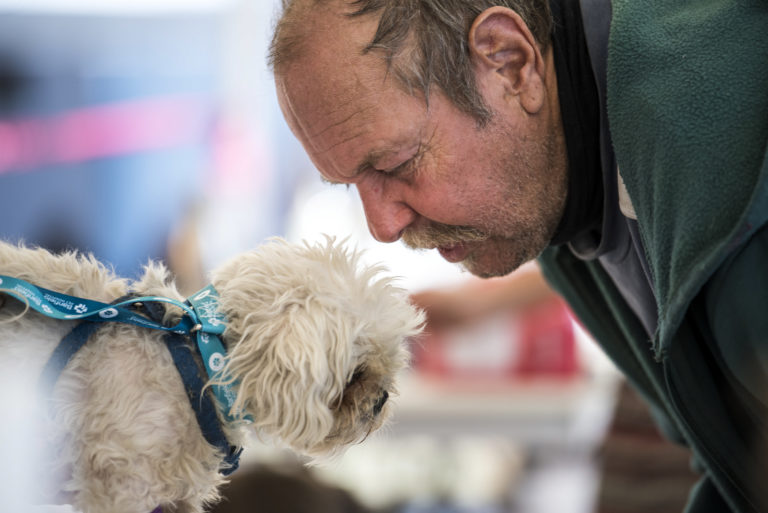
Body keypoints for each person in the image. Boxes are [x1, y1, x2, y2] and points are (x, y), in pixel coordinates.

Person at [268, 0, 768, 512]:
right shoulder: (563, 200)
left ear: (509, 62)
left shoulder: (722, 138)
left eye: (396, 164)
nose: (383, 227)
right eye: (351, 186)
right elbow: (736, 472)